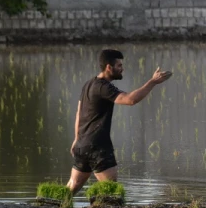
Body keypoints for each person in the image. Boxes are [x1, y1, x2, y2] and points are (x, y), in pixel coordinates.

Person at [67, 49, 172, 195]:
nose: (122, 68)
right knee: (111, 192)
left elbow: (79, 112)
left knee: (71, 188)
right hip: (98, 147)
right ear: (109, 67)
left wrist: (77, 139)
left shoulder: (88, 84)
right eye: (119, 65)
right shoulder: (103, 87)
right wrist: (152, 82)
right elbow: (130, 100)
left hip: (82, 145)